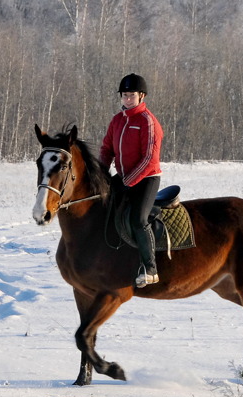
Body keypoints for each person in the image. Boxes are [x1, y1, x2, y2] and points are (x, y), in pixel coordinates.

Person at [100, 73, 164, 288]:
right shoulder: (117, 120)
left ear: (141, 96)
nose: (128, 99)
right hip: (125, 176)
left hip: (147, 178)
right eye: (125, 95)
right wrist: (100, 173)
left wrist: (128, 182)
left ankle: (150, 268)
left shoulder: (148, 121)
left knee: (138, 218)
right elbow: (107, 148)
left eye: (132, 95)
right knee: (103, 206)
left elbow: (149, 158)